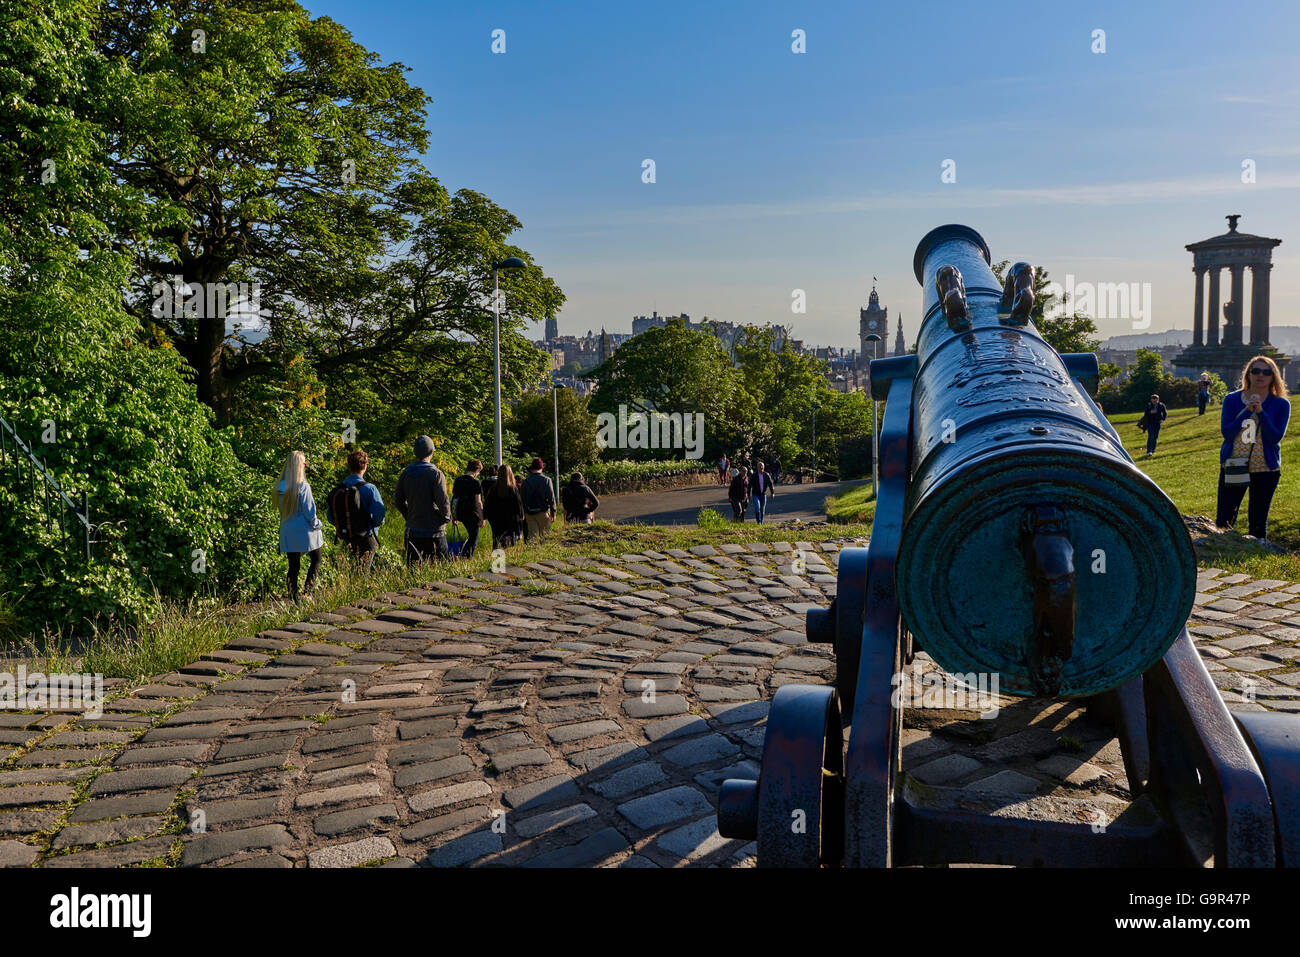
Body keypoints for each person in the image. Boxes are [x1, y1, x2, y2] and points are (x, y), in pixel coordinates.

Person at [1216, 355, 1291, 540]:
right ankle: (1218, 555)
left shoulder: (1281, 404)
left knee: (1258, 521)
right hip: (1235, 464)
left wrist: (1261, 412)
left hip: (1265, 468)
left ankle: (1254, 560)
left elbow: (1275, 436)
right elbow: (1227, 433)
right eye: (1256, 371)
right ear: (1248, 374)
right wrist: (1247, 411)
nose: (1261, 375)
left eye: (1267, 372)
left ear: (1273, 376)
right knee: (1225, 518)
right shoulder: (1232, 400)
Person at [394, 435, 452, 564]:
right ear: (431, 451)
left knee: (414, 572)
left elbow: (398, 500)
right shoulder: (436, 474)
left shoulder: (406, 473)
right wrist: (446, 517)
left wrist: (408, 515)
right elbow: (443, 502)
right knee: (440, 571)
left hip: (413, 531)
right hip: (434, 533)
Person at [325, 449, 385, 570]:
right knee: (364, 571)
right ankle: (361, 588)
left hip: (347, 536)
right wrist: (371, 526)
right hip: (366, 536)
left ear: (349, 466)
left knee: (354, 568)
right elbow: (380, 516)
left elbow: (330, 516)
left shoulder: (338, 488)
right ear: (365, 466)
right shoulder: (370, 489)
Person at [276, 450, 323, 602]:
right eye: (305, 464)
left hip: (287, 531)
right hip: (305, 531)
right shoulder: (303, 486)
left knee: (293, 566)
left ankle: (293, 597)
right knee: (316, 559)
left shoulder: (279, 487)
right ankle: (307, 593)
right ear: (300, 466)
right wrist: (318, 524)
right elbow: (310, 512)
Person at [451, 459, 487, 559]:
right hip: (471, 514)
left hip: (459, 512)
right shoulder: (475, 483)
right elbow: (478, 502)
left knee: (471, 537)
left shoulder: (458, 480)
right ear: (477, 469)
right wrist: (482, 518)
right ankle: (465, 558)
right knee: (473, 539)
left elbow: (455, 498)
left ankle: (461, 556)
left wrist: (454, 515)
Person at [485, 464, 526, 547]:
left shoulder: (493, 489)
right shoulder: (513, 489)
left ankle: (497, 558)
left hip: (496, 521)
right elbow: (518, 505)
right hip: (510, 520)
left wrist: (487, 517)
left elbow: (487, 505)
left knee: (497, 542)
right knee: (509, 543)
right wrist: (521, 516)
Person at [521, 457, 556, 541]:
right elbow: (551, 498)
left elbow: (522, 498)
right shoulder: (547, 480)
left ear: (532, 468)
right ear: (541, 467)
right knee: (544, 537)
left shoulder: (525, 481)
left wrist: (524, 511)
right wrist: (553, 512)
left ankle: (531, 553)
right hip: (543, 512)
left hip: (529, 513)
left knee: (532, 538)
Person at [1138, 393, 1167, 458]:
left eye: (1155, 400)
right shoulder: (1149, 406)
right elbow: (1145, 414)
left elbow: (1165, 413)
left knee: (1155, 437)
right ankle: (1149, 451)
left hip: (1157, 423)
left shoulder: (1161, 405)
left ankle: (1153, 450)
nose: (1154, 402)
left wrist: (1163, 419)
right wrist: (1150, 412)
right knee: (1151, 436)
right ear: (1151, 400)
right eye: (1153, 401)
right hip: (1150, 423)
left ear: (1158, 399)